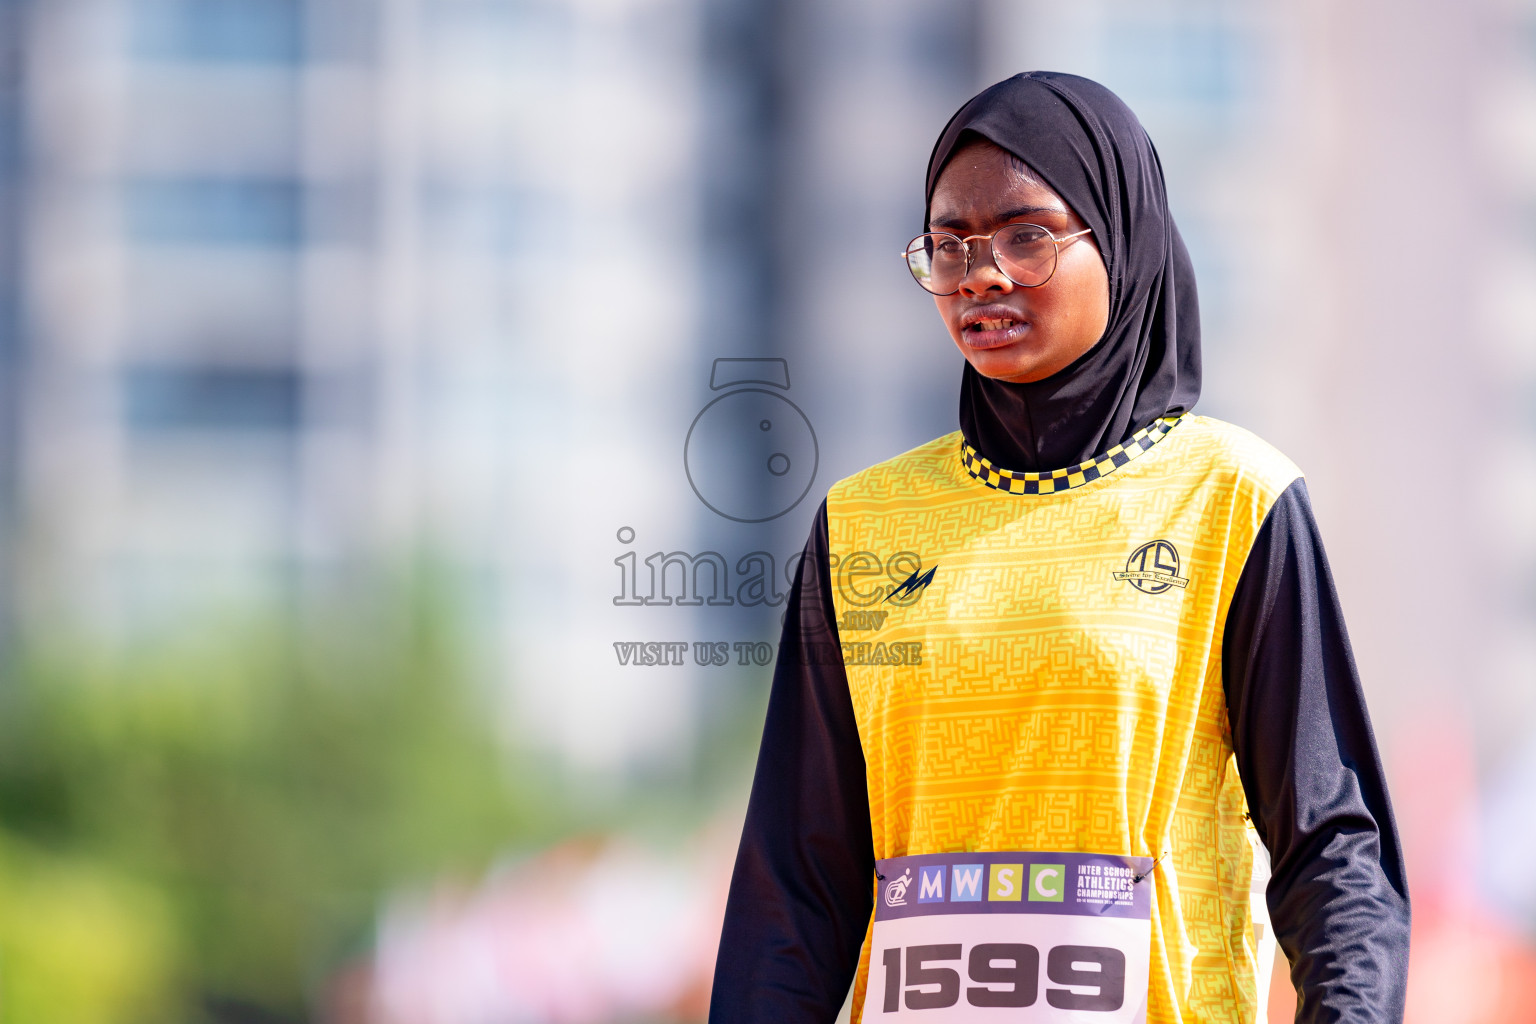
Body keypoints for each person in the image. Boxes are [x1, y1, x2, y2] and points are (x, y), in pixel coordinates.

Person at [709, 72, 1410, 1023]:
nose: (981, 274)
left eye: (1027, 236)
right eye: (948, 245)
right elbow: (796, 889)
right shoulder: (861, 528)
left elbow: (1334, 852)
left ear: (1120, 240)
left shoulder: (1234, 501)